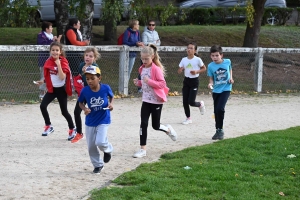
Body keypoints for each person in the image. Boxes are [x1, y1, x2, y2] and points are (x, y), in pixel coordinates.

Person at [132, 45, 177, 158]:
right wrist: (138, 83)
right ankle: (143, 149)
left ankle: (168, 129)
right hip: (146, 100)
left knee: (155, 126)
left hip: (156, 101)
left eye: (146, 59)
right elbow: (143, 82)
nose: (144, 61)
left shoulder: (156, 69)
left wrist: (150, 81)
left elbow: (162, 84)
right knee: (143, 123)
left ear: (152, 56)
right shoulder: (142, 68)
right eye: (142, 58)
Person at [37, 42, 77, 140]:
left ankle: (72, 129)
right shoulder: (48, 61)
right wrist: (42, 81)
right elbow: (49, 76)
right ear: (50, 51)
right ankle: (48, 126)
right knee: (42, 106)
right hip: (52, 89)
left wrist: (58, 64)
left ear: (60, 52)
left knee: (64, 112)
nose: (54, 52)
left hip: (61, 90)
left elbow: (62, 76)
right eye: (53, 50)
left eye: (57, 50)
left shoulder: (63, 62)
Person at [78, 66, 114, 174]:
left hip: (103, 118)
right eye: (87, 78)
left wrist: (111, 104)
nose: (89, 81)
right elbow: (80, 103)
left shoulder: (105, 88)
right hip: (90, 120)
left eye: (92, 78)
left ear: (99, 78)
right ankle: (98, 165)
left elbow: (111, 97)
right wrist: (85, 109)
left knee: (100, 141)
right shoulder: (85, 91)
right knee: (91, 146)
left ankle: (108, 150)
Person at [72, 47, 100, 143]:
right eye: (86, 55)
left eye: (90, 56)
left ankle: (98, 132)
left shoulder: (95, 67)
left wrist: (85, 73)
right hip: (85, 92)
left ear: (94, 58)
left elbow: (92, 81)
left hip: (93, 93)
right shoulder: (81, 65)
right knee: (76, 112)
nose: (87, 57)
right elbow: (80, 80)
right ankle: (79, 133)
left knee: (95, 112)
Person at [207, 45, 234, 140]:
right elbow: (211, 79)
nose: (214, 57)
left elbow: (230, 69)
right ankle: (218, 130)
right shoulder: (210, 66)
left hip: (226, 88)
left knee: (220, 108)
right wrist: (210, 84)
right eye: (212, 55)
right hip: (216, 90)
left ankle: (221, 130)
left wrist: (231, 78)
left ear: (221, 55)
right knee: (216, 111)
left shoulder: (227, 61)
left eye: (216, 55)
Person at [178, 43, 207, 125]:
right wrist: (180, 70)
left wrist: (196, 71)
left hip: (194, 81)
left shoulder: (198, 59)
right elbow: (179, 69)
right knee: (185, 101)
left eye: (191, 48)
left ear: (195, 50)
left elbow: (204, 68)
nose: (189, 50)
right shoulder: (184, 59)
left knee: (191, 101)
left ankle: (200, 104)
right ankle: (188, 118)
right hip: (186, 81)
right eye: (188, 48)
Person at [36, 21, 61, 99]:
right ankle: (42, 92)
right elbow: (43, 44)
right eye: (50, 27)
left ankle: (52, 92)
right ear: (46, 29)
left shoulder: (51, 36)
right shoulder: (41, 35)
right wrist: (52, 41)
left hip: (52, 60)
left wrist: (56, 41)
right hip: (44, 59)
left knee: (53, 75)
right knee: (43, 75)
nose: (52, 28)